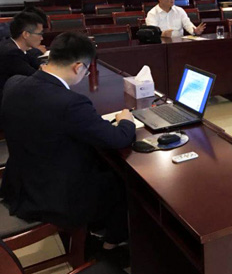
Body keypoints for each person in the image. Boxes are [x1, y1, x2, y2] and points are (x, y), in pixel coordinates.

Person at [0, 32, 135, 256]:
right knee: (121, 181)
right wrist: (125, 121)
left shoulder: (14, 83)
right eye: (87, 70)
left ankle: (99, 231)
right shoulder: (70, 103)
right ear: (78, 67)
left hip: (19, 183)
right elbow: (118, 138)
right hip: (53, 197)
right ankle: (110, 247)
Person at [0, 11, 47, 117]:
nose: (42, 38)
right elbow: (36, 77)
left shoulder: (13, 45)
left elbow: (34, 60)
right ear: (26, 34)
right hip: (7, 108)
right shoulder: (11, 53)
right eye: (40, 34)